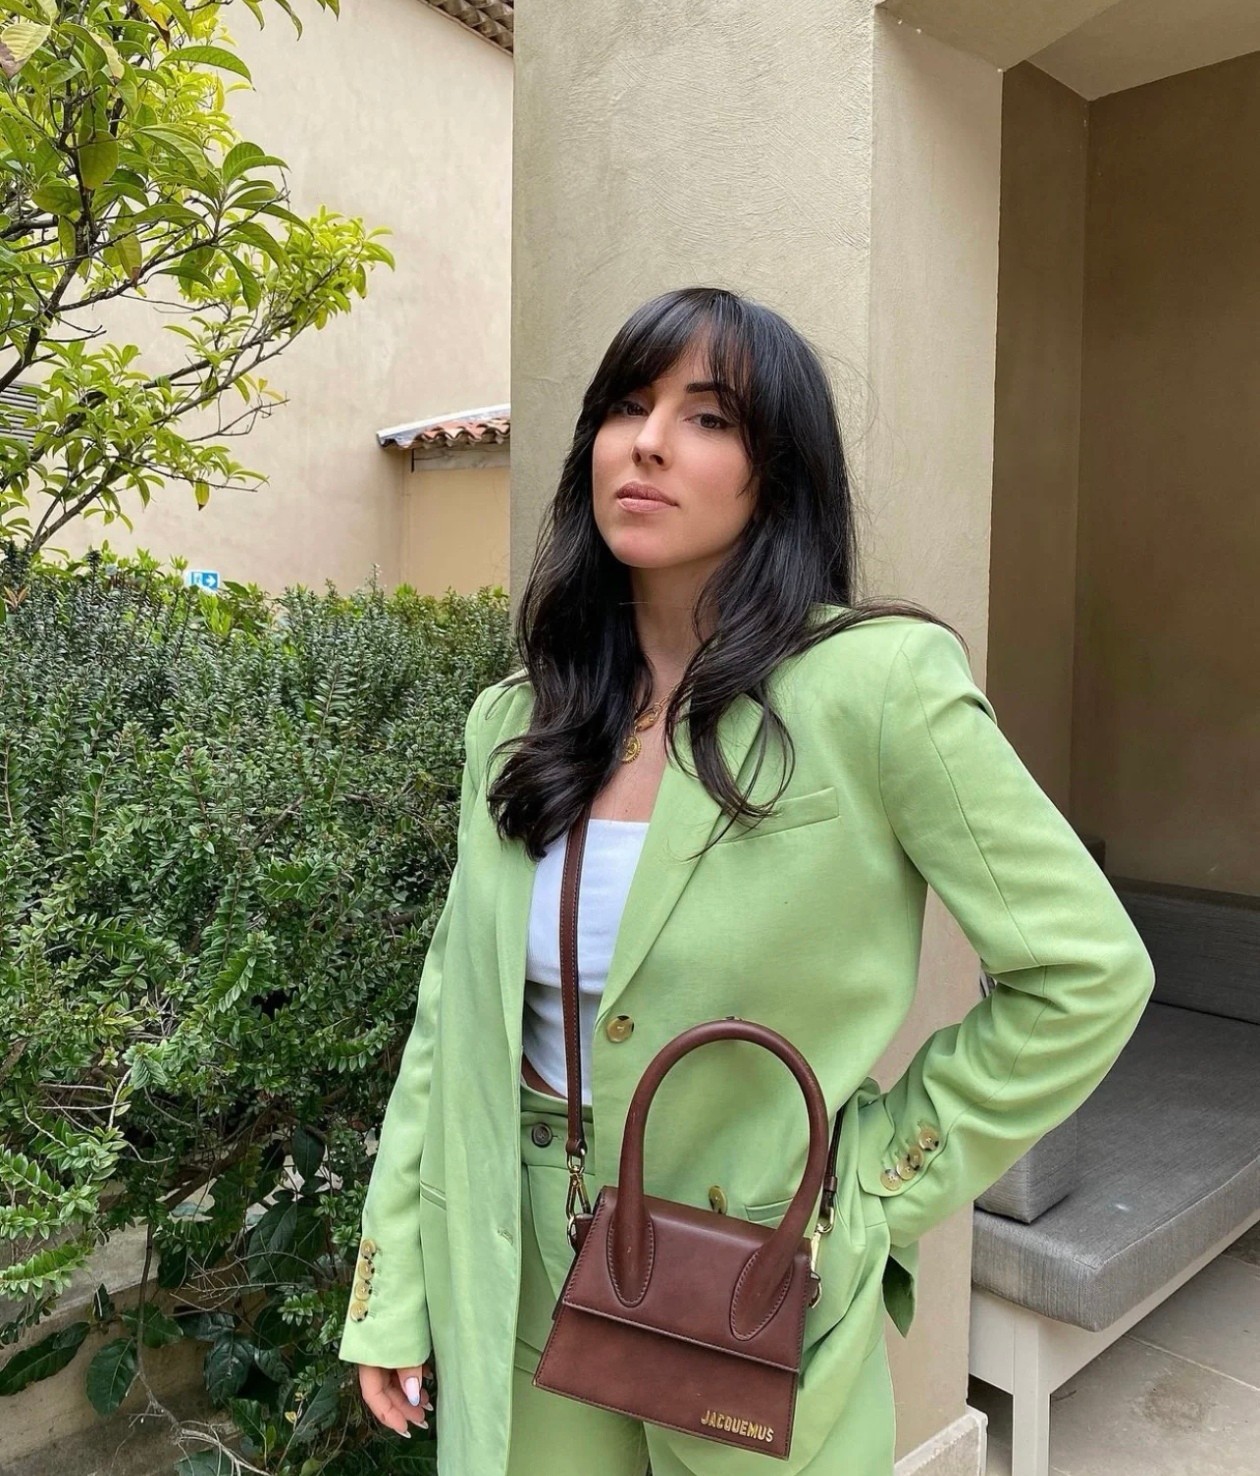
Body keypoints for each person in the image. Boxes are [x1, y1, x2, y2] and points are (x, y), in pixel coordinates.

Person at [339, 286, 1155, 1475]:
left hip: (759, 1275)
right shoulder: (515, 721)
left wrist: (872, 1186)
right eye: (627, 406)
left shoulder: (877, 688)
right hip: (519, 1260)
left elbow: (1086, 972)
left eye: (709, 418)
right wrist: (394, 1282)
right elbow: (449, 1017)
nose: (649, 442)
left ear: (777, 474)